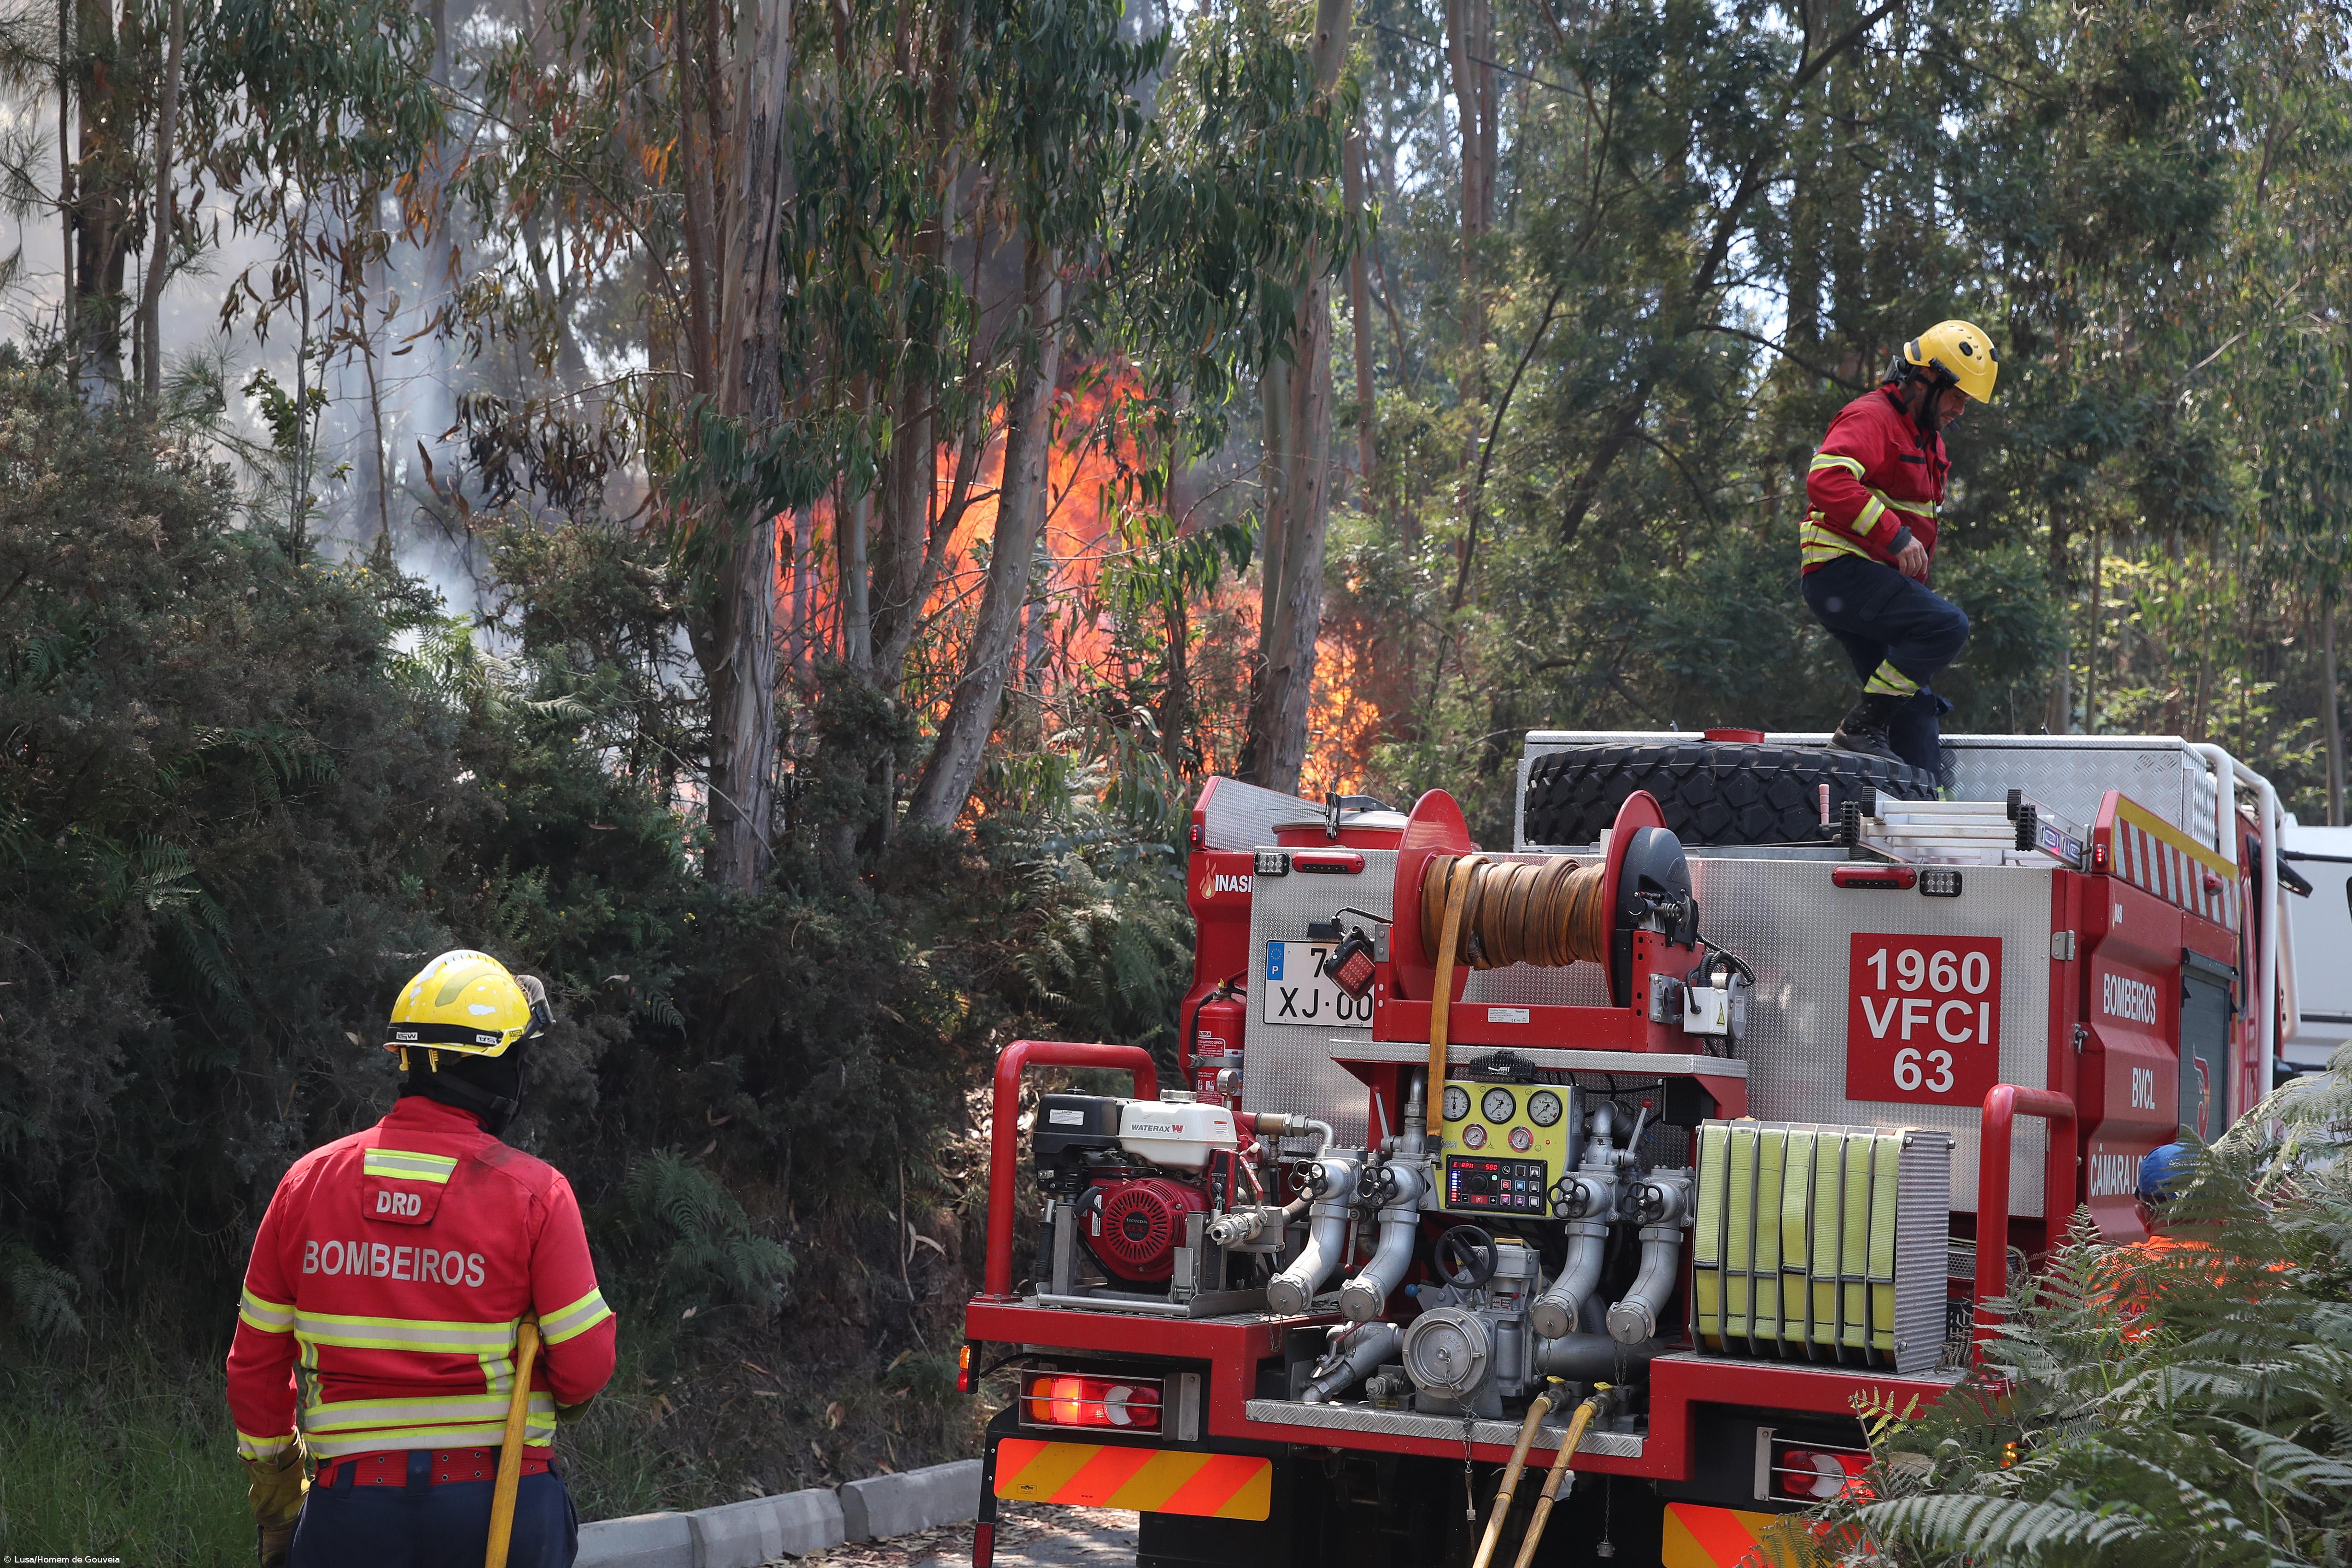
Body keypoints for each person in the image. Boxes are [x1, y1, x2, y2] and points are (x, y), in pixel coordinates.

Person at [226, 950, 617, 1568]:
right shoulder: (536, 1196)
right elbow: (586, 1367)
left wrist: (277, 1478)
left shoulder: (307, 1185)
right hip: (501, 1506)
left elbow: (253, 1366)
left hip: (349, 1516)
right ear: (502, 1069)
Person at [1801, 321, 1999, 775]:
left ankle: (1918, 803)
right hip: (1840, 571)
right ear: (1924, 380)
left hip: (1871, 578)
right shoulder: (1872, 416)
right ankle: (1859, 727)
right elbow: (1826, 479)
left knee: (1914, 712)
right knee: (1947, 627)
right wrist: (1895, 535)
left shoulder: (1926, 440)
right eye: (1956, 396)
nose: (1960, 410)